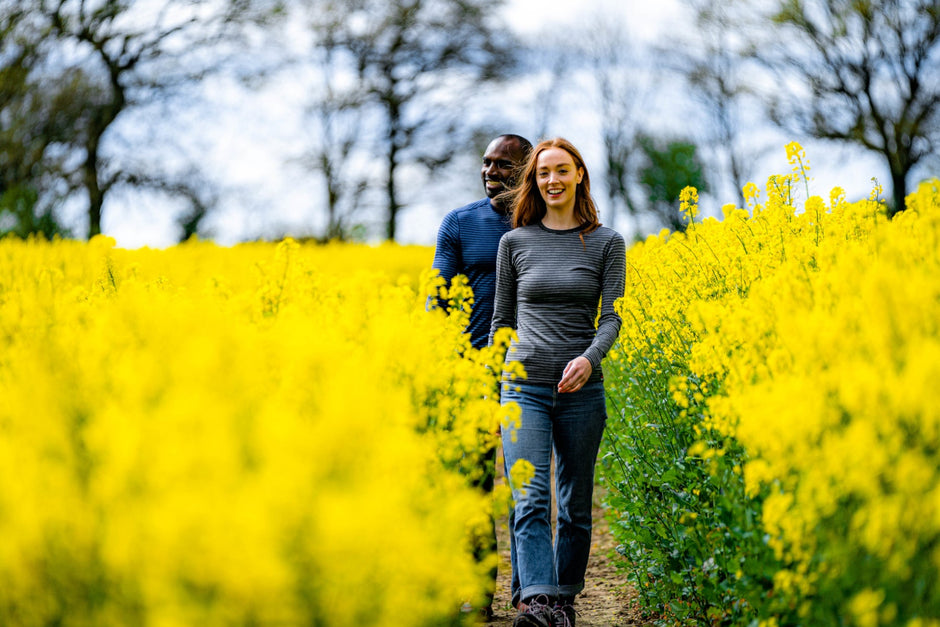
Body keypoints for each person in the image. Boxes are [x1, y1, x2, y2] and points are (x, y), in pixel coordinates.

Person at [488, 138, 626, 627]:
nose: (552, 180)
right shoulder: (514, 243)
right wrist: (490, 390)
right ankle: (539, 602)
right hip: (522, 385)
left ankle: (563, 599)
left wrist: (590, 359)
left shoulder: (607, 242)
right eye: (543, 172)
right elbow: (502, 321)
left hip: (581, 390)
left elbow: (611, 319)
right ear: (534, 181)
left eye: (562, 171)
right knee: (530, 496)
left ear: (579, 175)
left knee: (574, 504)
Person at [431, 133, 532, 620]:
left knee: (526, 489)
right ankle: (476, 595)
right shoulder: (460, 222)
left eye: (504, 165)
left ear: (528, 168)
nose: (491, 171)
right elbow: (438, 299)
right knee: (473, 489)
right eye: (486, 163)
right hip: (471, 373)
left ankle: (528, 596)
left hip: (531, 374)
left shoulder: (546, 222)